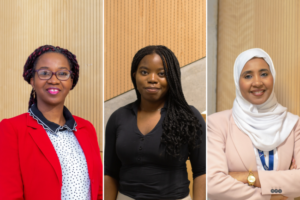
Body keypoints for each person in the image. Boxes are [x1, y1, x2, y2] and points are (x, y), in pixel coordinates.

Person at [0, 45, 103, 200]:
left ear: (71, 81)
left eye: (62, 73)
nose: (54, 80)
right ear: (32, 80)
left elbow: (98, 190)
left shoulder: (86, 128)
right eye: (44, 73)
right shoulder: (12, 129)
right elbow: (8, 195)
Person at [104, 45, 206, 200]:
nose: (152, 79)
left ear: (172, 78)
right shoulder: (118, 118)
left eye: (162, 74)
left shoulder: (189, 116)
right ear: (135, 75)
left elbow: (202, 172)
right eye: (144, 72)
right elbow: (110, 174)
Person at [207, 48, 300, 200]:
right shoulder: (217, 124)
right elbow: (211, 184)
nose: (257, 82)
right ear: (238, 81)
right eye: (248, 76)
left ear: (273, 77)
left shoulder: (293, 124)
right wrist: (271, 197)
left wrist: (250, 178)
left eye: (264, 74)